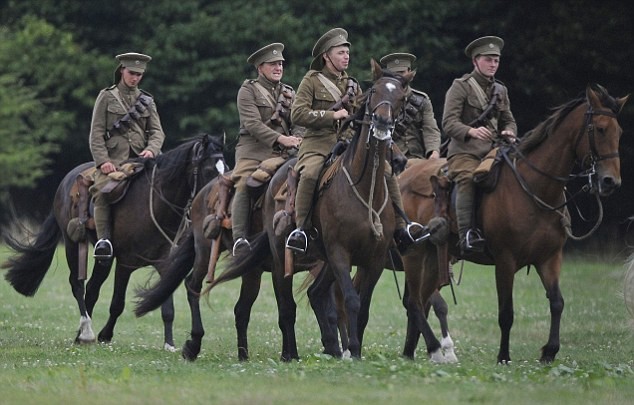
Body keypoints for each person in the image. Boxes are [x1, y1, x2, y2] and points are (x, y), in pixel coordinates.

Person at [286, 28, 427, 253]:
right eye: (341, 52)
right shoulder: (311, 81)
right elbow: (298, 114)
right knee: (311, 173)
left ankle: (402, 228)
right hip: (317, 145)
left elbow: (363, 117)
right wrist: (331, 115)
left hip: (349, 143)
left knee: (388, 172)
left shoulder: (352, 84)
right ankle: (301, 230)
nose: (346, 56)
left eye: (347, 53)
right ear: (326, 56)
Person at [442, 36, 517, 254]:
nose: (493, 64)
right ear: (475, 61)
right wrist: (470, 131)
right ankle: (467, 234)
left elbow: (508, 120)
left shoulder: (500, 91)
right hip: (465, 153)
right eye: (488, 59)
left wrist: (510, 131)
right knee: (467, 179)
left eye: (496, 60)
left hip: (495, 152)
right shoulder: (461, 87)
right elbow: (448, 123)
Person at [89, 52, 166, 260]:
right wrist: (103, 161)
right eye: (132, 73)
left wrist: (151, 150)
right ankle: (103, 241)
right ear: (122, 70)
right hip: (114, 161)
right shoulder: (106, 97)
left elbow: (157, 132)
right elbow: (96, 133)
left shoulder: (147, 101)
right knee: (104, 191)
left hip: (142, 161)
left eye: (139, 75)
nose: (135, 78)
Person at [231, 43, 302, 255]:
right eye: (273, 64)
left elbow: (298, 120)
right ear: (260, 67)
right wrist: (282, 138)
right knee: (244, 182)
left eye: (280, 63)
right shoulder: (247, 90)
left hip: (285, 153)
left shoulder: (289, 92)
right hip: (253, 152)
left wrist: (297, 138)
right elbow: (252, 124)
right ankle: (239, 238)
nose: (278, 67)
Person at [379, 52, 441, 163]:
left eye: (402, 72)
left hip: (417, 158)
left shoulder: (421, 100)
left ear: (410, 74)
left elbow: (430, 130)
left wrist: (434, 152)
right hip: (389, 160)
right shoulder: (380, 101)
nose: (399, 77)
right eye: (394, 74)